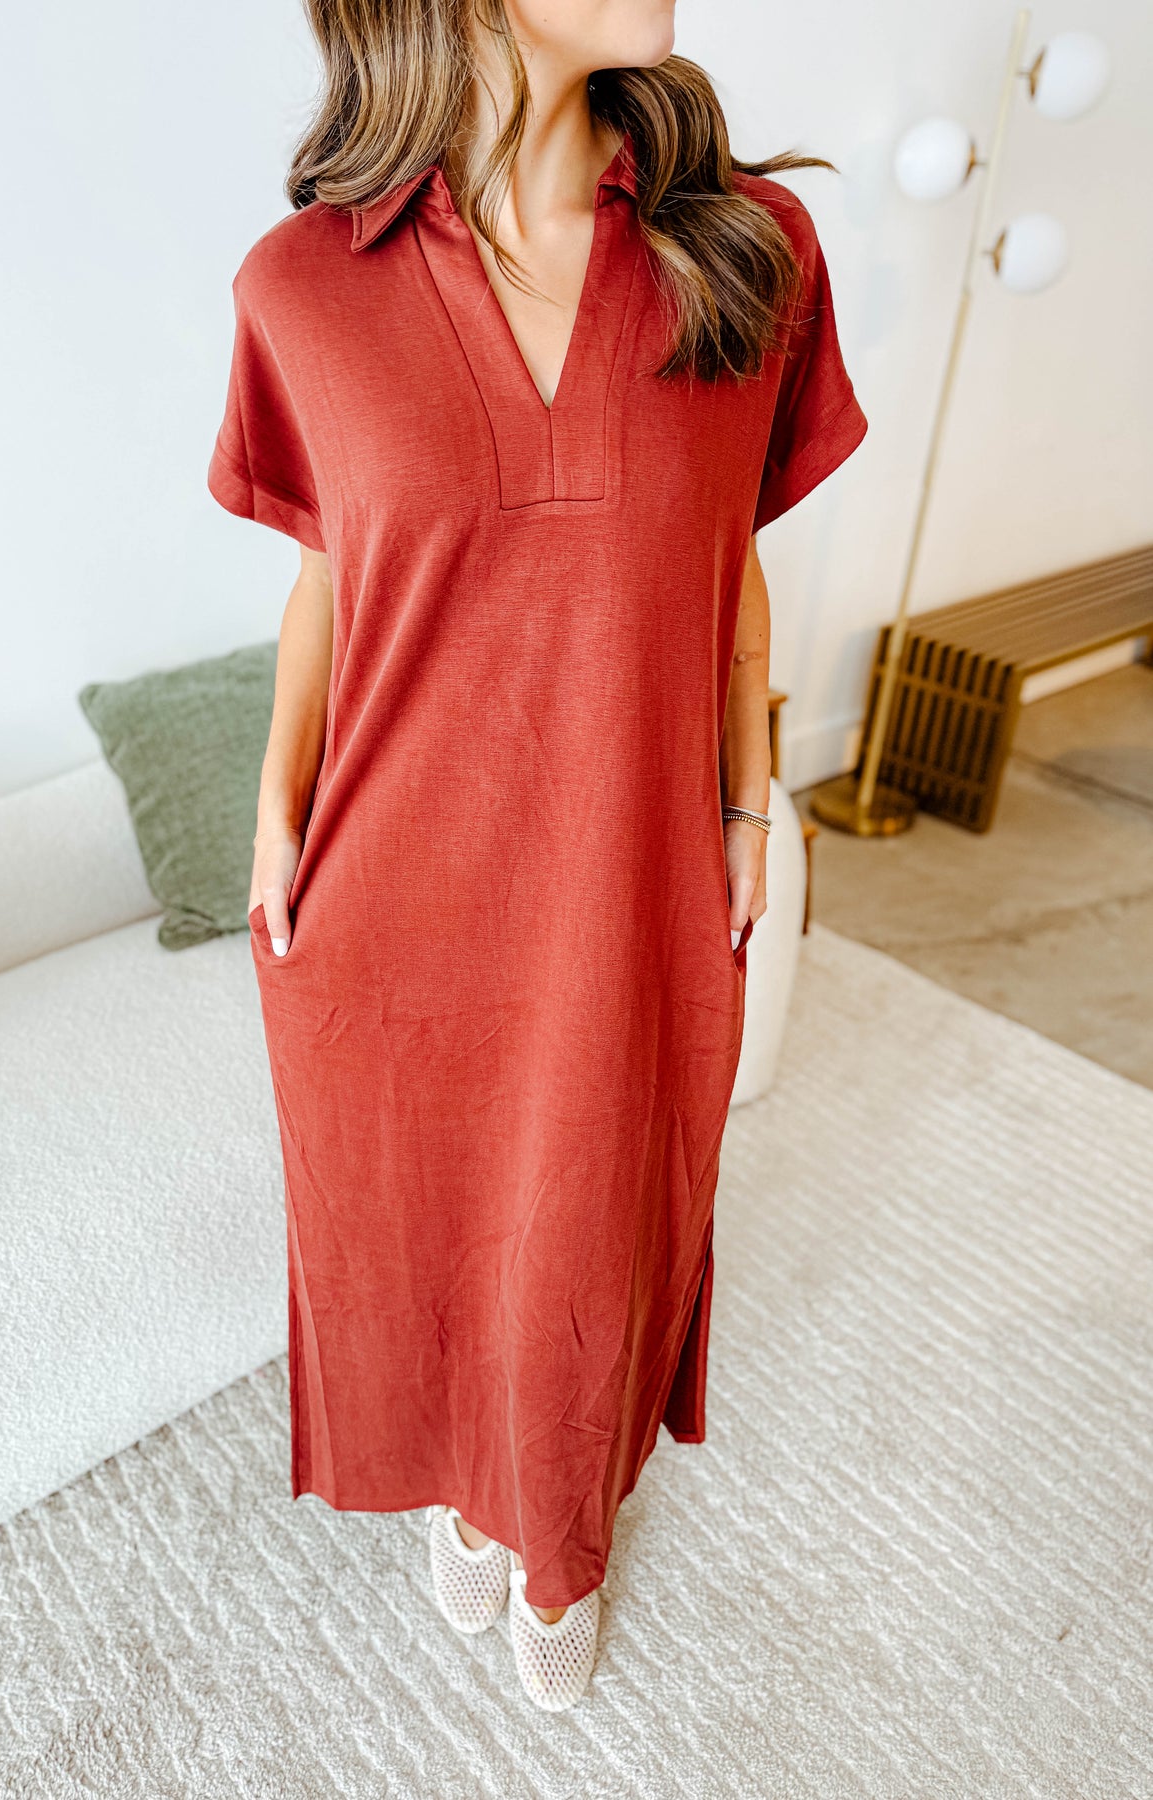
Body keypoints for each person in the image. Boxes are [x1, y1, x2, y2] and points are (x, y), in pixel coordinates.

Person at [208, 0, 866, 1712]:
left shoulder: (745, 249)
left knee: (597, 1215)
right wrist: (275, 803)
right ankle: (463, 1484)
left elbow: (731, 560)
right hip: (393, 873)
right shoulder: (301, 288)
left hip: (629, 863)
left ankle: (557, 1533)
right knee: (420, 1217)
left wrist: (748, 795)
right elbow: (327, 572)